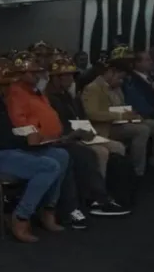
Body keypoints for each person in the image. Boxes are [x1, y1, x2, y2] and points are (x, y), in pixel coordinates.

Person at [0, 59, 67, 243]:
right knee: (48, 166)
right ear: (1, 84)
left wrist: (27, 138)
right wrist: (26, 140)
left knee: (61, 156)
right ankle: (21, 217)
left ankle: (48, 208)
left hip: (6, 149)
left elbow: (4, 133)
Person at [5, 52, 97, 229]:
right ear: (20, 74)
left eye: (38, 72)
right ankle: (67, 208)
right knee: (70, 156)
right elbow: (20, 122)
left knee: (66, 155)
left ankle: (52, 208)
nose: (38, 75)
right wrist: (39, 136)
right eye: (32, 72)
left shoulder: (36, 92)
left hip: (53, 139)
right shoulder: (16, 94)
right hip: (35, 142)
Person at [44, 55, 132, 214]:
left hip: (82, 133)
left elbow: (81, 116)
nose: (71, 79)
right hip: (67, 137)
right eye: (67, 76)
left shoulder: (68, 96)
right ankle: (96, 198)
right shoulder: (49, 98)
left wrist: (87, 130)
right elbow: (56, 125)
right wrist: (76, 133)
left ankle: (112, 191)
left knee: (117, 146)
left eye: (72, 75)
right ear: (56, 78)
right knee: (101, 152)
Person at [82, 47, 154, 177]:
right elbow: (92, 113)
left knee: (144, 127)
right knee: (142, 130)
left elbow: (120, 106)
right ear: (110, 73)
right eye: (119, 78)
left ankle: (139, 170)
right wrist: (120, 115)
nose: (121, 81)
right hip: (104, 127)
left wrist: (131, 114)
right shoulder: (93, 88)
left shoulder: (116, 88)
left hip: (117, 123)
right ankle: (135, 171)